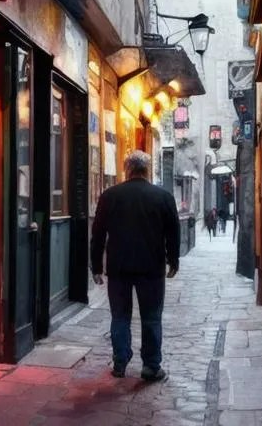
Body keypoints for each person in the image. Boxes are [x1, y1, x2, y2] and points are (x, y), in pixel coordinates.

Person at [90, 150, 180, 382]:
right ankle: (151, 365)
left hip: (119, 267)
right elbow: (173, 232)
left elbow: (98, 233)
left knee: (120, 316)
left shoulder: (110, 196)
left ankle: (120, 361)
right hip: (151, 266)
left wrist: (96, 266)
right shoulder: (162, 196)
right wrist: (173, 259)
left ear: (127, 169)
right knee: (151, 317)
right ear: (147, 170)